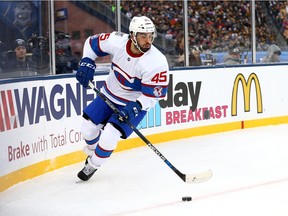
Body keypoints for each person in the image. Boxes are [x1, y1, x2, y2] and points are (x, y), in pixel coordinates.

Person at [75, 16, 169, 181]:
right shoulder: (116, 41)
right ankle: (94, 150)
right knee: (87, 130)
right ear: (132, 35)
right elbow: (91, 43)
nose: (148, 41)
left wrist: (136, 107)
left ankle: (93, 165)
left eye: (150, 35)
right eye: (143, 36)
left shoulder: (157, 62)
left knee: (110, 135)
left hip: (134, 103)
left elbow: (153, 95)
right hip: (109, 94)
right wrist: (87, 61)